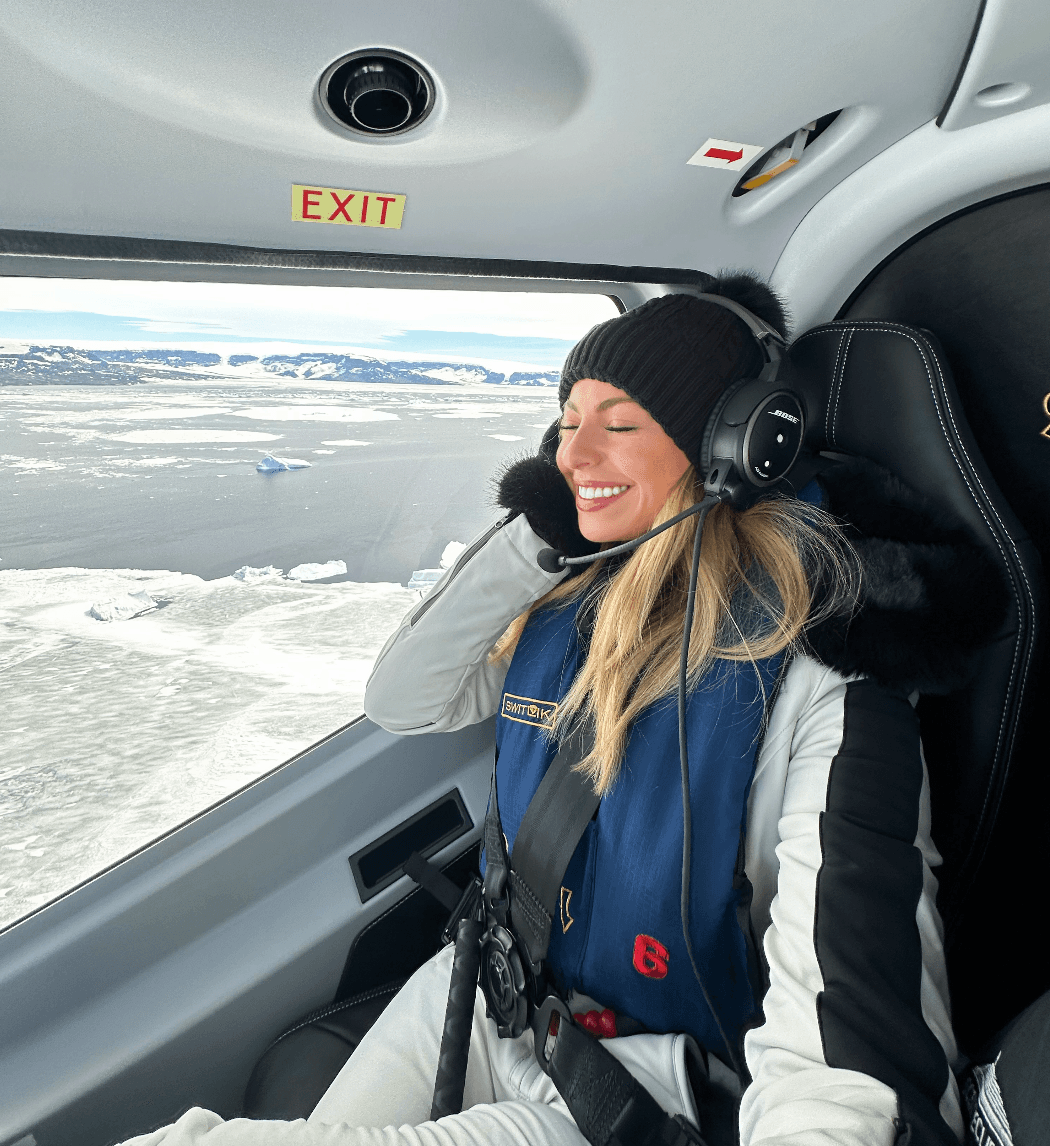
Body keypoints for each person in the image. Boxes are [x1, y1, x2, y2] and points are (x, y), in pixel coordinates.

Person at [119, 276, 1007, 1146]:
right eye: (567, 422)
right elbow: (404, 698)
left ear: (738, 446)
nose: (572, 456)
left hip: (646, 1080)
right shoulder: (569, 600)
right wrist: (539, 531)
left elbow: (842, 1033)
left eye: (617, 425)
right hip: (492, 993)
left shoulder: (822, 671)